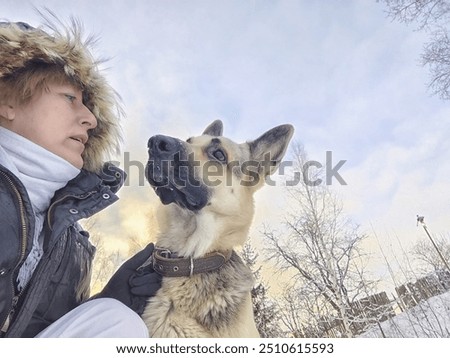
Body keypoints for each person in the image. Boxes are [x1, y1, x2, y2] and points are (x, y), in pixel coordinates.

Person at [0, 18, 160, 338]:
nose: (89, 118)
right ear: (7, 100)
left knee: (117, 320)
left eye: (88, 106)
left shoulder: (72, 240)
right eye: (70, 98)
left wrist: (106, 304)